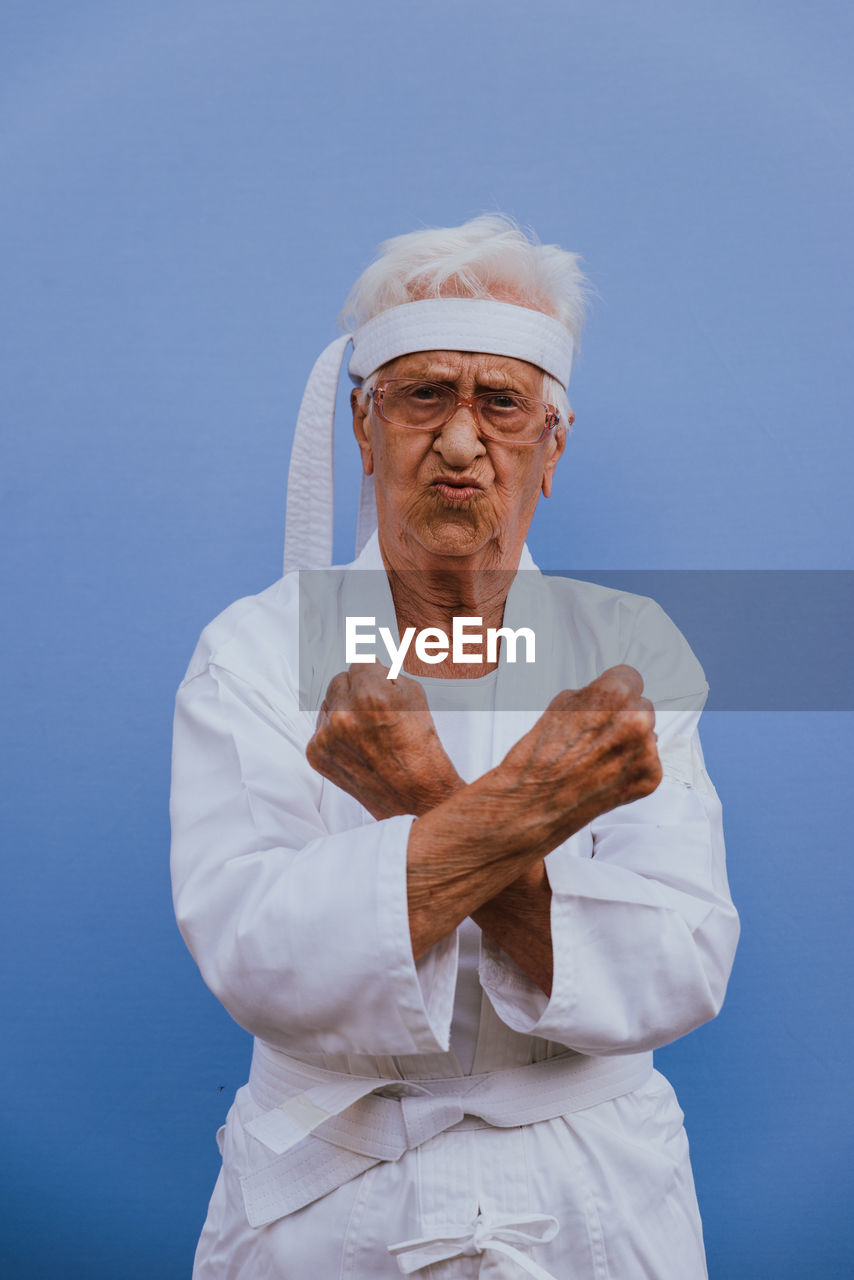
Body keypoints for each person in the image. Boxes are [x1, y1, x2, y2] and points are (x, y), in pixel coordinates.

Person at [170, 215, 740, 1279]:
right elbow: (255, 953)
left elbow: (683, 960)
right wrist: (532, 800)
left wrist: (420, 793)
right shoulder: (250, 651)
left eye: (501, 402)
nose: (463, 441)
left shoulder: (629, 649)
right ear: (363, 424)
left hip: (593, 1197)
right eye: (425, 394)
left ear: (552, 443)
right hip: (331, 1201)